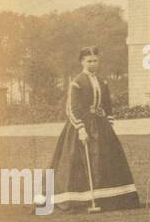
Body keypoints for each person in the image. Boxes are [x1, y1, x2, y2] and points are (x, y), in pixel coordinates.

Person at [49, 47, 140, 212]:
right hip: (82, 126)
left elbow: (107, 104)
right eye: (89, 61)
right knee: (80, 160)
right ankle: (81, 199)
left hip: (101, 125)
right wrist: (81, 129)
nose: (92, 64)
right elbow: (72, 108)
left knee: (107, 159)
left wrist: (108, 121)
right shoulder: (77, 82)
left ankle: (108, 197)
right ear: (82, 62)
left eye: (95, 60)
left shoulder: (102, 81)